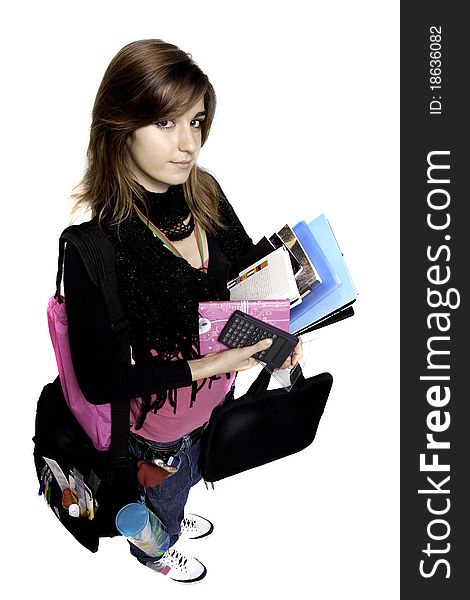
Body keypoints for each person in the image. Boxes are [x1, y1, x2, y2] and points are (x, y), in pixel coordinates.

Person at [64, 39, 302, 584]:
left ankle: (171, 506)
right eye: (166, 123)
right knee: (166, 496)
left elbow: (244, 271)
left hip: (217, 402)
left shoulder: (206, 194)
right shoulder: (96, 246)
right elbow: (100, 380)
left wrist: (289, 327)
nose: (189, 143)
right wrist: (212, 366)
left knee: (193, 470)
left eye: (196, 122)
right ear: (121, 127)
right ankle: (154, 547)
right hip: (157, 425)